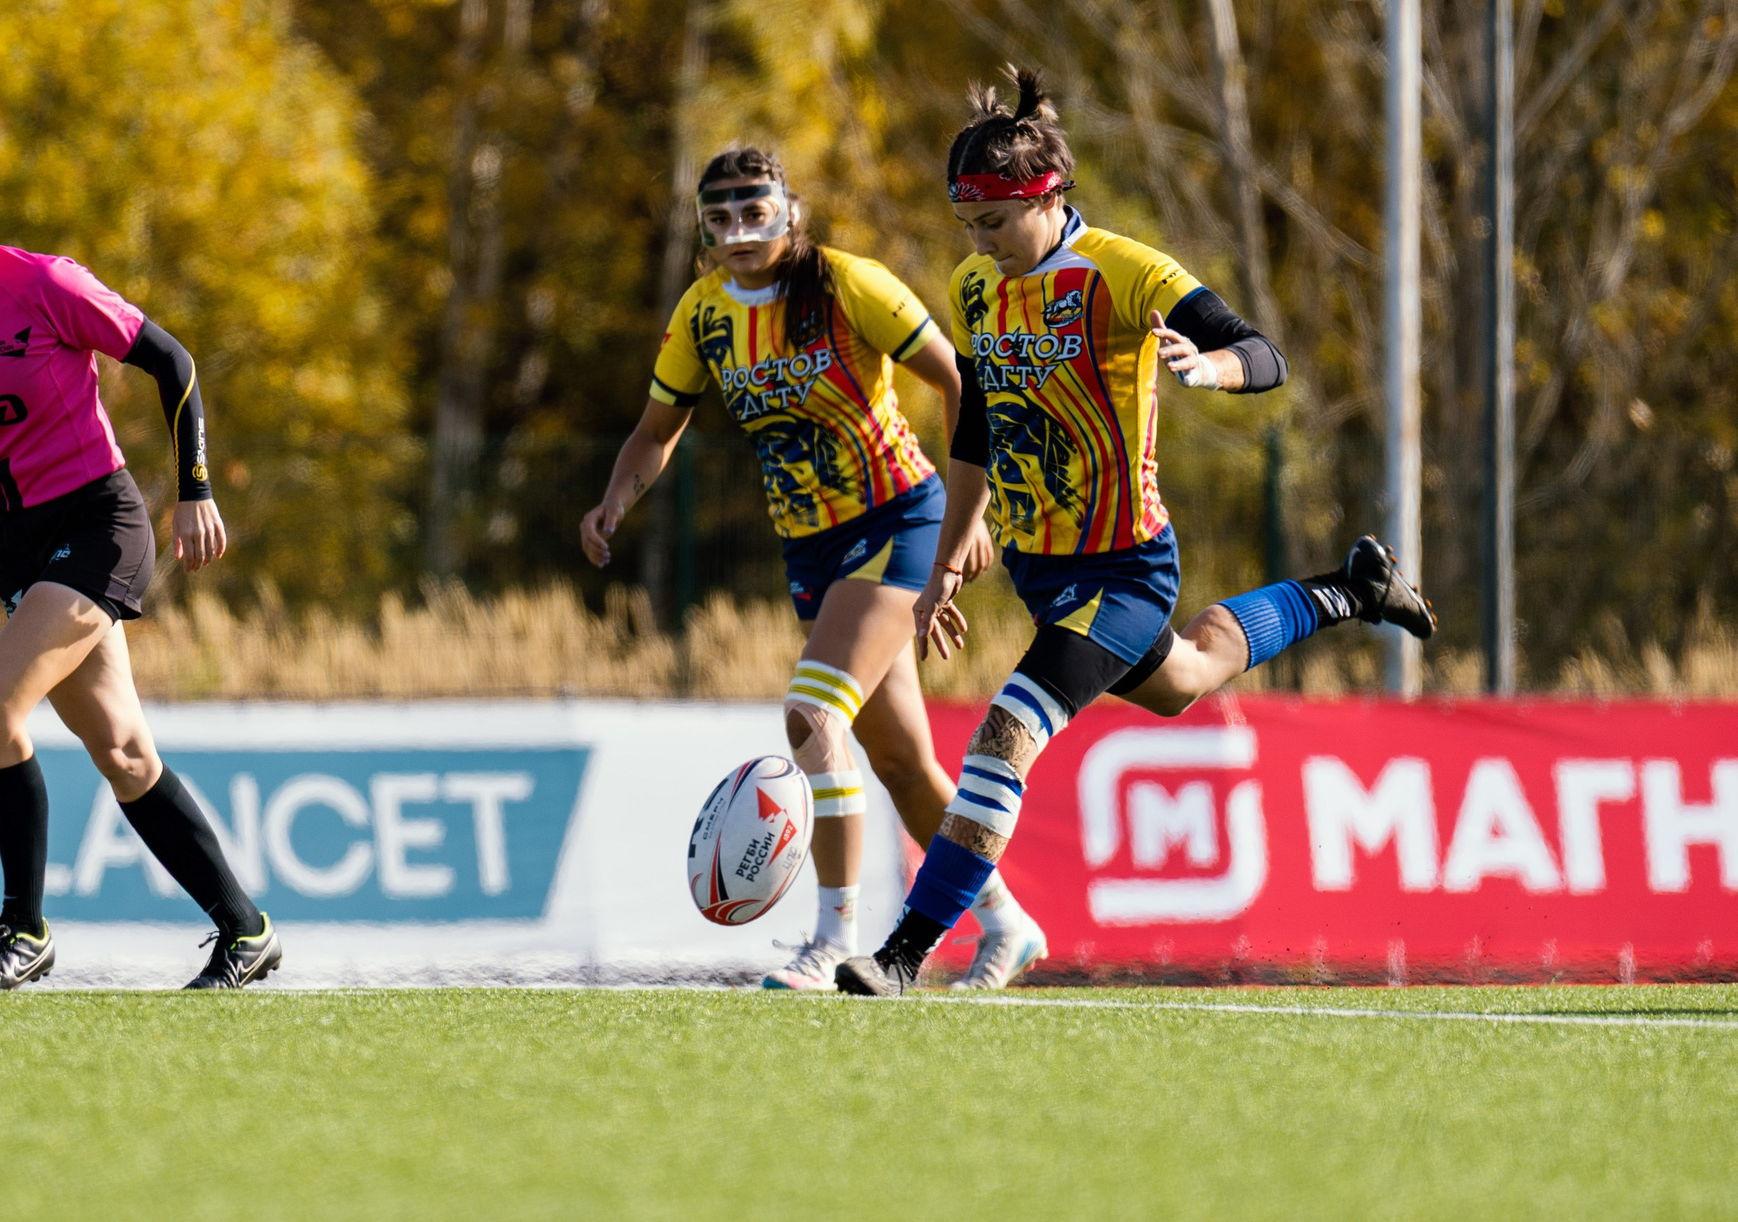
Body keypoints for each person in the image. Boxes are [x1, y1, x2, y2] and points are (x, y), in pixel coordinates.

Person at [835, 71, 1436, 998]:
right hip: (1044, 571)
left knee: (1004, 734)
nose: (979, 243)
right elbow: (978, 427)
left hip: (1124, 570)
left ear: (1049, 195)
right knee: (1185, 677)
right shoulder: (976, 286)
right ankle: (1354, 587)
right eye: (967, 226)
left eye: (994, 221)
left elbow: (1264, 353)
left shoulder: (1124, 270)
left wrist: (1211, 367)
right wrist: (952, 554)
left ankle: (903, 955)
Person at [581, 145, 1048, 992]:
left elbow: (960, 380)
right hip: (812, 547)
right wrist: (616, 498)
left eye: (755, 212)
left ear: (790, 211)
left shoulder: (845, 282)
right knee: (900, 762)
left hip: (899, 518)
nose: (738, 231)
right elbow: (656, 429)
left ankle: (833, 940)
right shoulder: (703, 314)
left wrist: (967, 514)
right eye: (719, 218)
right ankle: (1005, 919)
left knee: (811, 715)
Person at [0, 135, 279, 992]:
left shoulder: (46, 284)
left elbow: (173, 362)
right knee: (124, 752)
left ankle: (24, 929)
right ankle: (246, 929)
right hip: (17, 542)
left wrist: (195, 487)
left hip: (100, 521)